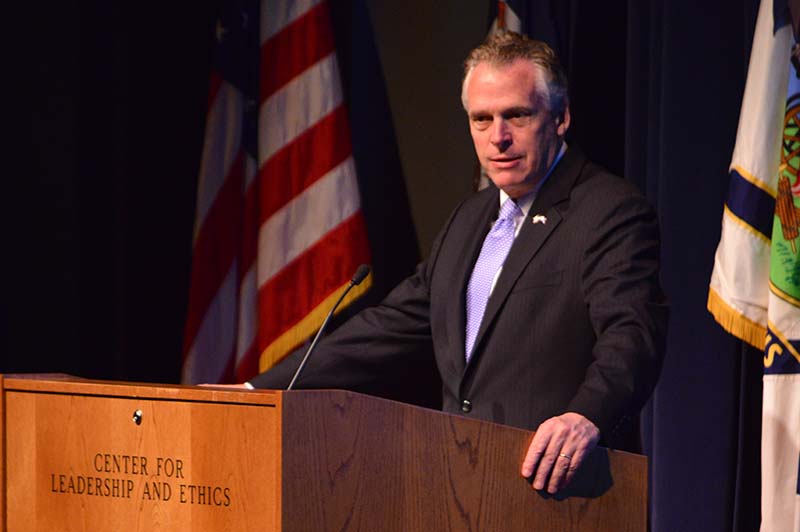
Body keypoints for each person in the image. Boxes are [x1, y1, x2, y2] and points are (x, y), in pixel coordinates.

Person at [248, 31, 668, 495]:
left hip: (559, 492)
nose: (498, 138)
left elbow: (632, 335)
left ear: (561, 117)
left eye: (517, 116)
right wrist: (258, 391)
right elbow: (389, 326)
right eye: (481, 119)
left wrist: (586, 415)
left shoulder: (609, 211)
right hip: (460, 484)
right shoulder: (471, 217)